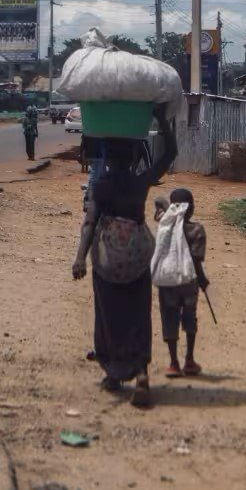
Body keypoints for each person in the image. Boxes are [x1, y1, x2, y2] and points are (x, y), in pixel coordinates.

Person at [71, 114, 176, 408]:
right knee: (138, 312)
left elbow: (90, 222)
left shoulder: (101, 186)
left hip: (107, 259)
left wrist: (80, 258)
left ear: (108, 157)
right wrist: (162, 120)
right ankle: (141, 374)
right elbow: (171, 153)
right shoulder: (140, 181)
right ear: (132, 157)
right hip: (137, 257)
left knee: (108, 314)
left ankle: (114, 374)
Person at [153, 188, 209, 379]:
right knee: (189, 318)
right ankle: (189, 360)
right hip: (188, 282)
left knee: (169, 318)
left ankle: (173, 363)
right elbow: (195, 260)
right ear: (191, 209)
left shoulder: (164, 227)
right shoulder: (197, 230)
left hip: (167, 282)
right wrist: (202, 279)